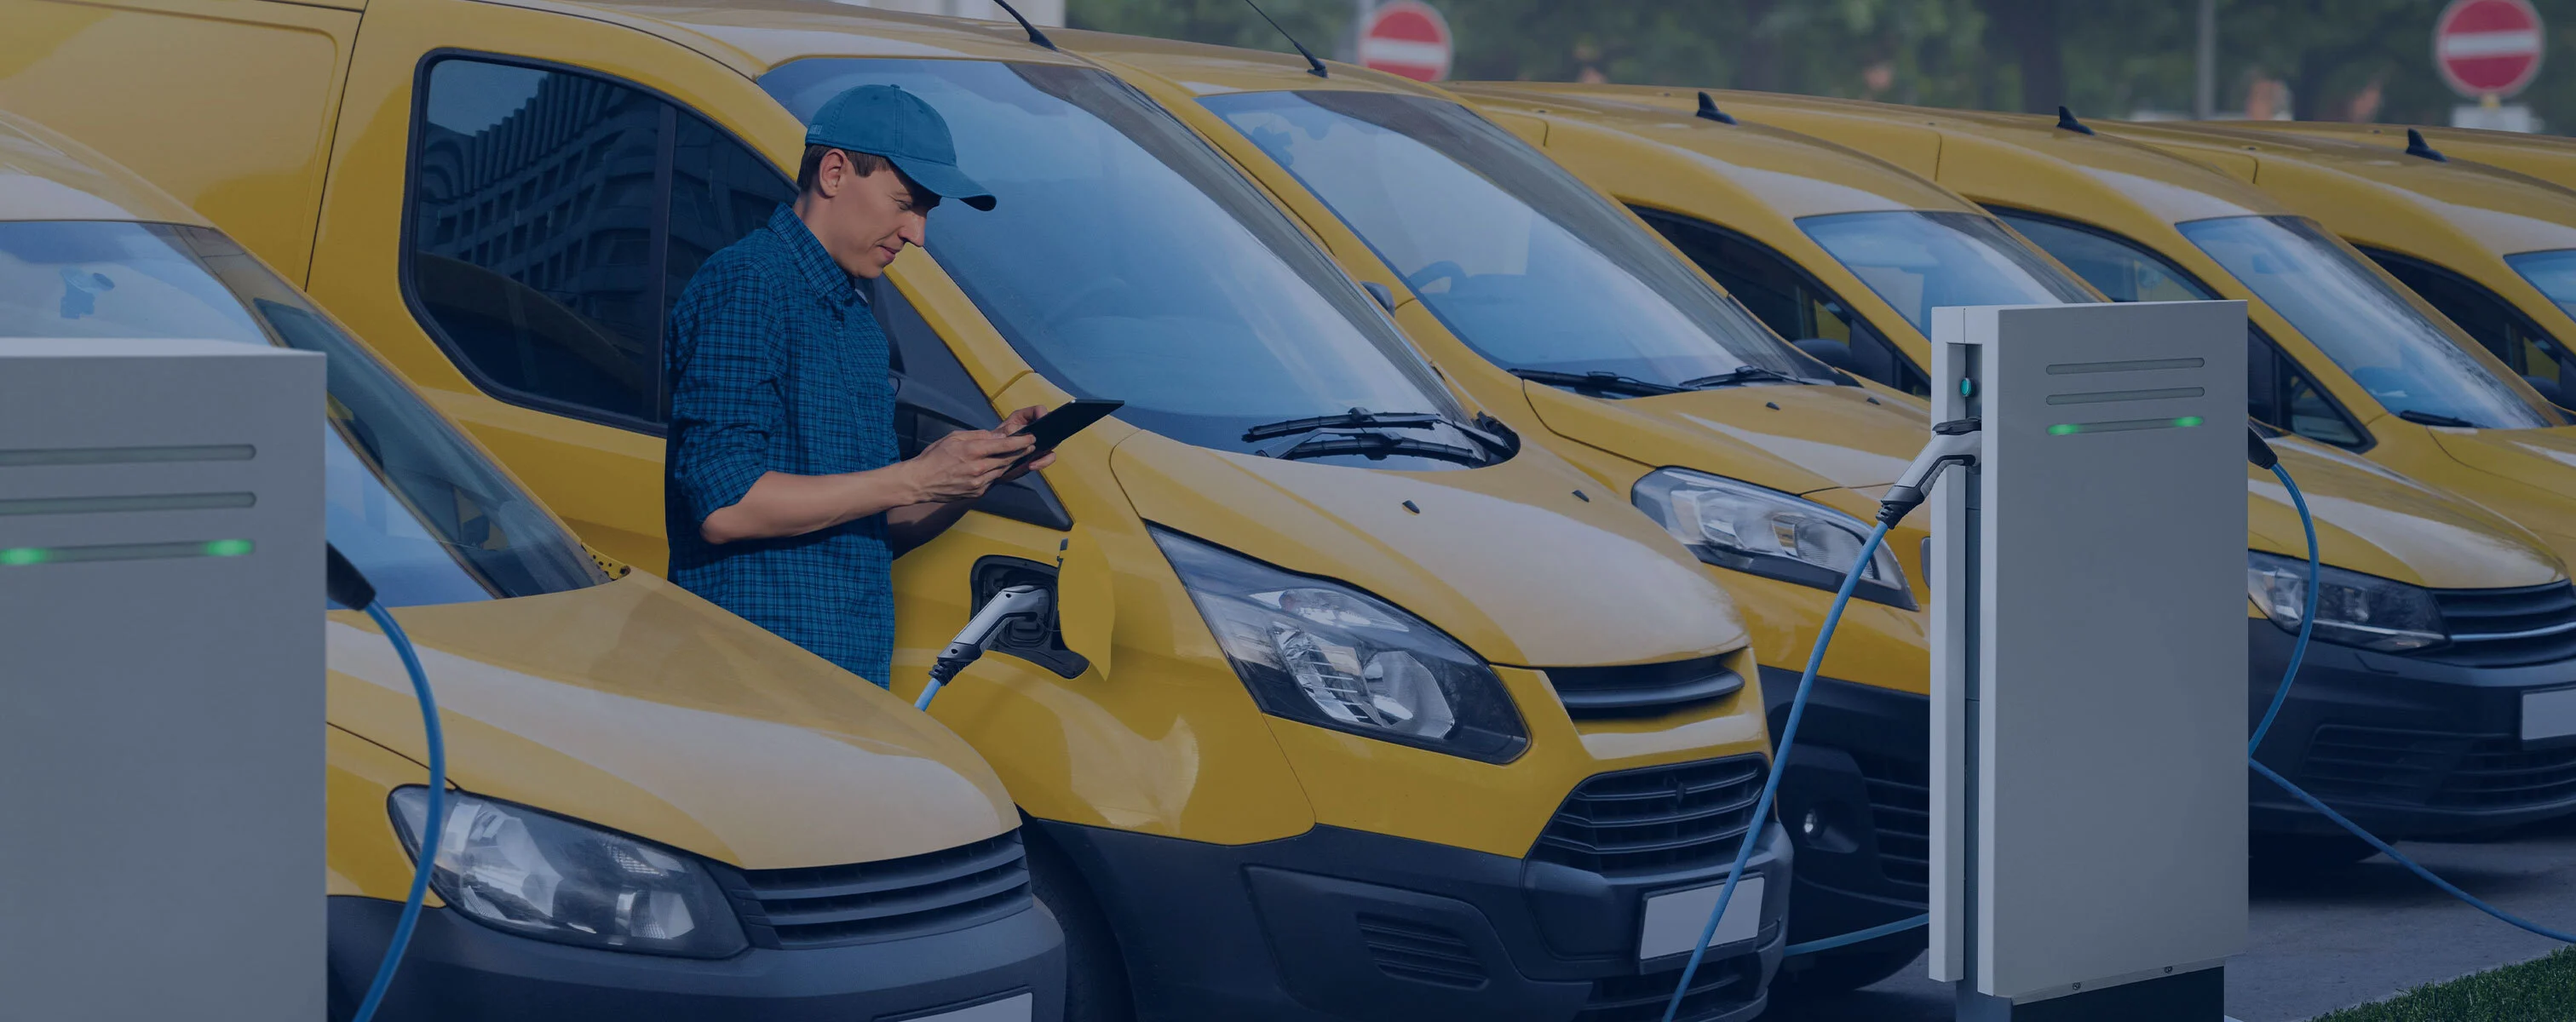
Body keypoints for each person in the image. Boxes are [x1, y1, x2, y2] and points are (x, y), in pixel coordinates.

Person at [664, 83, 1050, 687]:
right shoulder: (747, 283)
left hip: (846, 686)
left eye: (925, 212)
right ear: (836, 173)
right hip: (749, 684)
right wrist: (914, 475)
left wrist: (971, 479)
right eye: (905, 203)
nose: (917, 233)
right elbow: (725, 505)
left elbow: (874, 526)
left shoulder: (858, 324)